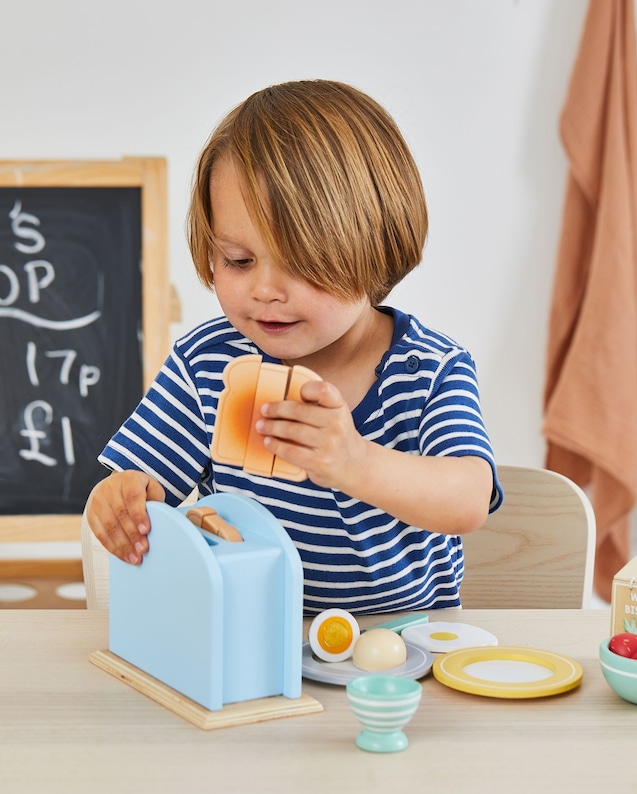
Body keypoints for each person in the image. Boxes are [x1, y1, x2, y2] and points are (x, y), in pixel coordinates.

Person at [87, 79, 502, 614]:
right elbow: (145, 482)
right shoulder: (208, 363)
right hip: (247, 629)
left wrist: (356, 463)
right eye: (238, 260)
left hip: (404, 639)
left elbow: (469, 500)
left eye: (300, 263)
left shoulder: (429, 371)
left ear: (375, 247)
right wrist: (119, 496)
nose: (264, 290)